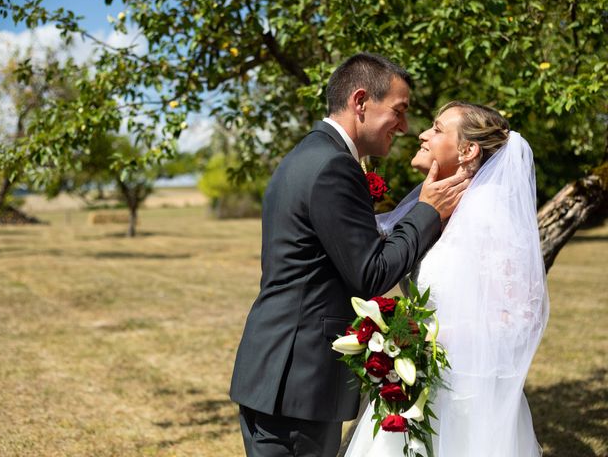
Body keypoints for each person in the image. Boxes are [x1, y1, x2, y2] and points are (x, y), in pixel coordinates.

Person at [229, 53, 471, 457]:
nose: (406, 126)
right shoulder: (333, 167)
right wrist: (427, 210)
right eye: (399, 110)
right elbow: (371, 274)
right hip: (296, 382)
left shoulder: (309, 154)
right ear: (361, 102)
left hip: (279, 373)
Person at [344, 101, 549, 457]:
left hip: (466, 398)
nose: (422, 134)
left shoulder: (488, 213)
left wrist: (425, 342)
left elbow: (520, 317)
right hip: (419, 385)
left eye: (437, 129)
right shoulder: (443, 207)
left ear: (468, 150)